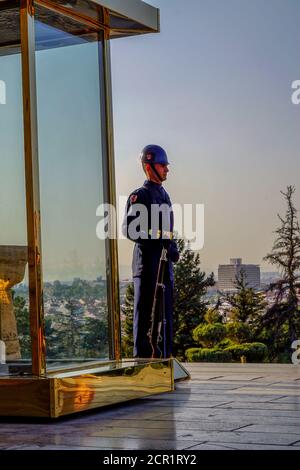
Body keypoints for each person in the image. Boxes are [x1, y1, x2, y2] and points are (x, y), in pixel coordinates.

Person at [122, 144, 179, 358]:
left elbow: (168, 231)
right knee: (144, 315)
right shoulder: (140, 196)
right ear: (149, 167)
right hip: (147, 263)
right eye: (162, 165)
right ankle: (142, 359)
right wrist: (159, 239)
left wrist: (172, 246)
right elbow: (130, 229)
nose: (166, 169)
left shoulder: (165, 196)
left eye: (166, 165)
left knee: (165, 317)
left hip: (165, 265)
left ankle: (165, 358)